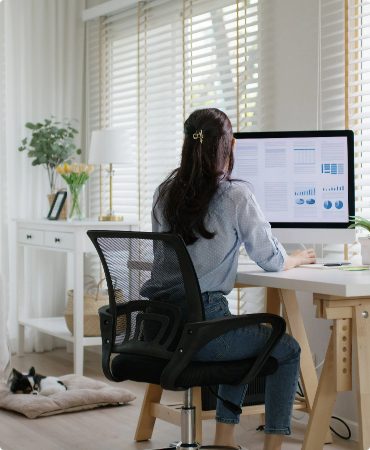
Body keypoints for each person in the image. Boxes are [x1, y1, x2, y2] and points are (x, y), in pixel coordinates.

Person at [150, 108, 316, 450]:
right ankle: (271, 447)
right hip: (203, 328)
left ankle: (225, 441)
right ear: (231, 146)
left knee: (237, 330)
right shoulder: (235, 195)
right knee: (285, 347)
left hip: (162, 328)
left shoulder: (164, 194)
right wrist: (295, 258)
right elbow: (270, 258)